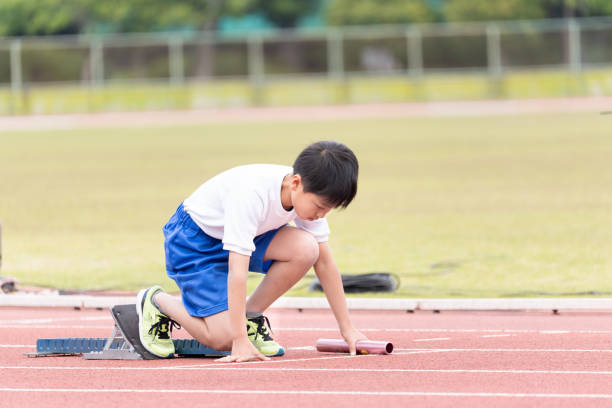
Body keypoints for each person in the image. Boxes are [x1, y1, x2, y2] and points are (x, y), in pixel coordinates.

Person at [137, 140, 368, 362]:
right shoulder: (251, 195)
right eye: (319, 207)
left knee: (307, 248)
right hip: (195, 243)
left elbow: (325, 264)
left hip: (242, 235)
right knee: (223, 338)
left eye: (329, 209)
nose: (321, 215)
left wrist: (347, 329)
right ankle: (157, 300)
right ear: (295, 183)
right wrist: (239, 340)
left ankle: (249, 318)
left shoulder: (308, 192)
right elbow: (237, 272)